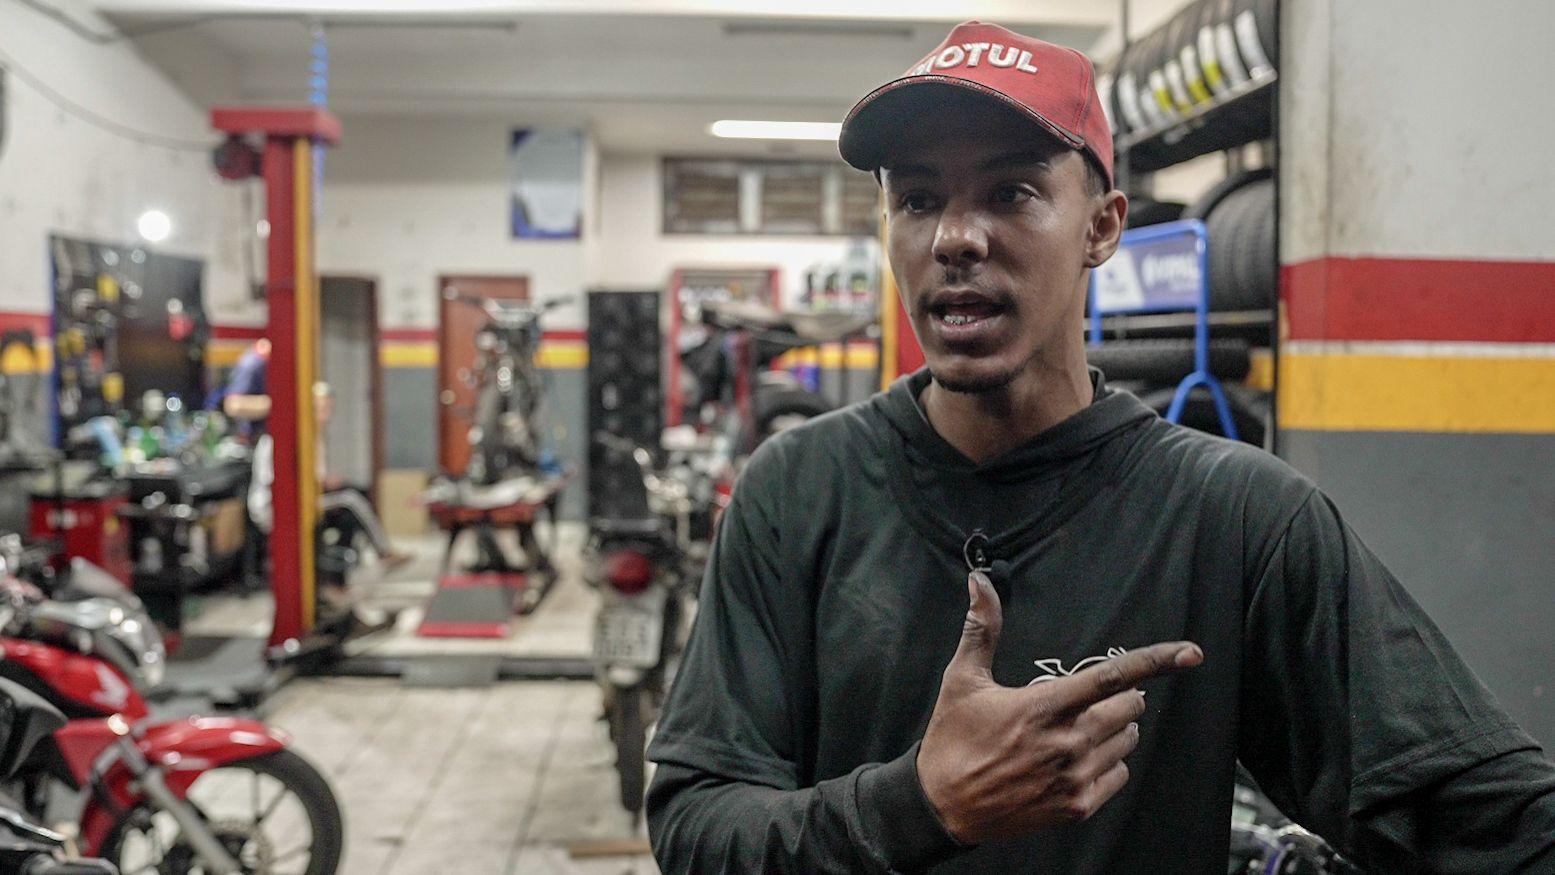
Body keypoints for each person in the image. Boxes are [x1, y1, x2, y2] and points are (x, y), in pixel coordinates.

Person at [645, 21, 1555, 874]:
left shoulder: (1237, 520)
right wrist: (915, 806)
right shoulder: (795, 491)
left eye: (1011, 191)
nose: (956, 237)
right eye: (917, 198)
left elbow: (1475, 812)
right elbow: (695, 823)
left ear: (1102, 226)